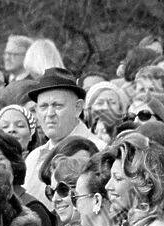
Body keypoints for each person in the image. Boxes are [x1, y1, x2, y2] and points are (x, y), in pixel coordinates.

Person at [23, 68, 105, 212]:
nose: (49, 114)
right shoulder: (33, 157)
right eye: (43, 106)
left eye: (57, 106)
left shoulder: (99, 151)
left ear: (78, 108)